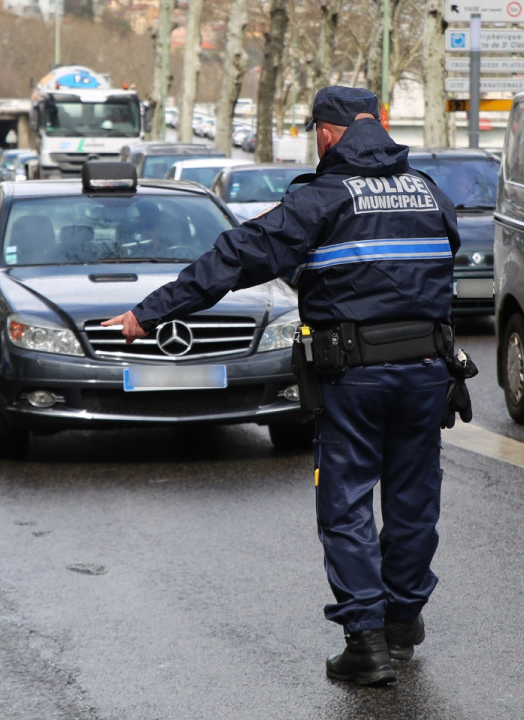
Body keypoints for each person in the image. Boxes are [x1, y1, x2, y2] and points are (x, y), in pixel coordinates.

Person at [103, 86, 461, 686]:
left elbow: (235, 258)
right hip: (428, 371)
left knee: (346, 502)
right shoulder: (429, 191)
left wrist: (150, 312)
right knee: (413, 500)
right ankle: (402, 625)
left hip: (353, 376)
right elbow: (441, 260)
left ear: (326, 133)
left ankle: (367, 645)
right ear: (379, 123)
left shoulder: (319, 200)